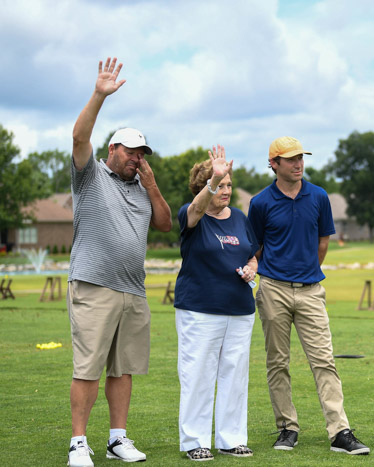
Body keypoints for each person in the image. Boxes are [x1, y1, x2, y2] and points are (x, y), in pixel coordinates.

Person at [67, 57, 172, 467]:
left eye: (142, 153)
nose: (137, 158)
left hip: (132, 289)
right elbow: (78, 138)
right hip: (94, 284)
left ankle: (117, 438)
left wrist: (152, 185)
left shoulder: (144, 187)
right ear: (113, 149)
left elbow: (164, 225)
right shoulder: (90, 176)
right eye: (131, 151)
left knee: (123, 369)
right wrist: (99, 94)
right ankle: (78, 442)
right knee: (88, 367)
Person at [247, 136, 370, 455]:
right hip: (272, 289)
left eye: (301, 157)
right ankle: (287, 428)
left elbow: (323, 242)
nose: (298, 163)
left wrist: (305, 273)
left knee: (324, 360)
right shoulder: (260, 202)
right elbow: (255, 248)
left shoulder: (318, 196)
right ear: (274, 163)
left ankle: (339, 430)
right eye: (290, 159)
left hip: (311, 290)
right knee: (277, 362)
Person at [173, 146, 258, 461]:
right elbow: (197, 209)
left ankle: (231, 438)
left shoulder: (238, 217)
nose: (226, 190)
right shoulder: (191, 215)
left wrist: (253, 266)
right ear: (203, 187)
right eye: (219, 185)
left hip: (239, 310)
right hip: (199, 310)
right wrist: (214, 177)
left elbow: (251, 251)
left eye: (228, 184)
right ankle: (194, 441)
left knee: (235, 375)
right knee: (198, 374)